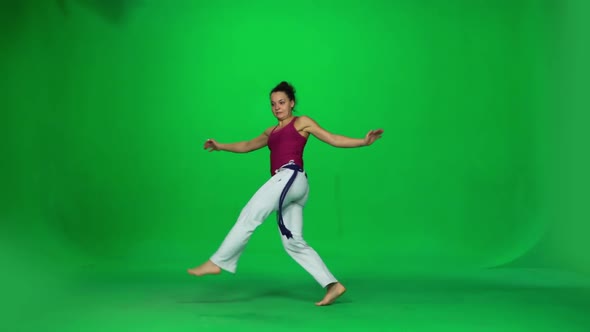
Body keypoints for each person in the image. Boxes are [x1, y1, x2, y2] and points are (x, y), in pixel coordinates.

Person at [188, 81, 383, 306]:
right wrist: (220, 146)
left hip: (290, 176)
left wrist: (363, 142)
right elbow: (247, 145)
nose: (277, 107)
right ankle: (333, 285)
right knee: (293, 241)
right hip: (293, 188)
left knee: (251, 212)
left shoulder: (301, 122)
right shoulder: (271, 132)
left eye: (282, 102)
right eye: (273, 104)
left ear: (291, 103)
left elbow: (333, 138)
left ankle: (218, 261)